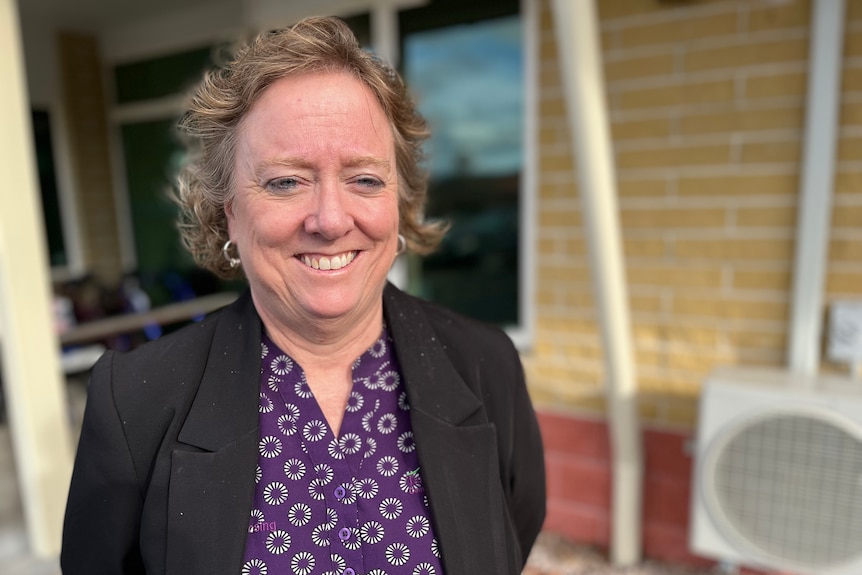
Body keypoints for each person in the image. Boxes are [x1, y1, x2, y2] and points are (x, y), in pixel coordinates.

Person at [61, 16, 545, 575]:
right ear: (230, 215)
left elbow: (512, 534)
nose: (331, 219)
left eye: (364, 178)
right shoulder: (135, 402)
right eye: (285, 181)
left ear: (400, 203)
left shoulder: (486, 366)